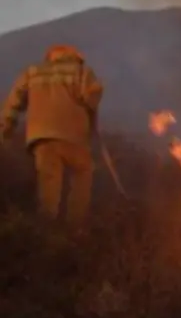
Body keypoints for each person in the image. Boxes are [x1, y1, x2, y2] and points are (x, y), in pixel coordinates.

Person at [0, 44, 104, 226]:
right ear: (74, 56)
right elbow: (93, 96)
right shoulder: (82, 71)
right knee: (82, 175)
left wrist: (4, 132)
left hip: (43, 138)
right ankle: (75, 228)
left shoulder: (32, 72)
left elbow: (12, 104)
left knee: (49, 184)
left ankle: (46, 232)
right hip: (75, 138)